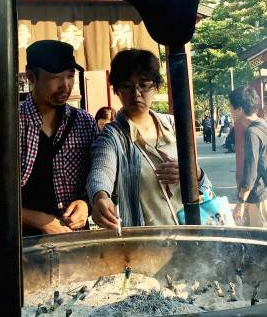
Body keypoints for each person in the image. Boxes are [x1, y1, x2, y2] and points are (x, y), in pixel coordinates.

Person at [0, 40, 98, 235]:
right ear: (31, 76)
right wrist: (39, 220)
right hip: (20, 244)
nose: (65, 86)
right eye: (55, 78)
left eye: (70, 76)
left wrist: (86, 203)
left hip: (74, 240)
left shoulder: (84, 122)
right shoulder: (7, 126)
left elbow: (98, 179)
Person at [89, 49, 212, 228]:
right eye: (127, 86)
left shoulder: (173, 125)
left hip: (189, 234)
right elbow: (101, 169)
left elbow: (200, 179)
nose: (136, 93)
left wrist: (193, 173)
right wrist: (100, 196)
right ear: (117, 90)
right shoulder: (112, 136)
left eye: (144, 84)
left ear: (155, 87)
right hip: (147, 242)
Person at [233, 87, 267, 227]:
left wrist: (240, 203)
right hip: (264, 196)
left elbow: (251, 172)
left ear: (239, 108)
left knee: (262, 246)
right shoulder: (263, 124)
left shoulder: (252, 133)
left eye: (230, 106)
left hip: (258, 199)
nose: (229, 111)